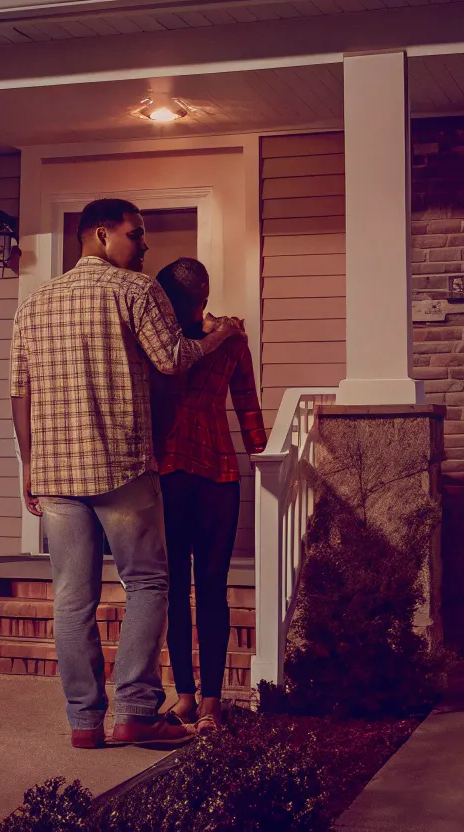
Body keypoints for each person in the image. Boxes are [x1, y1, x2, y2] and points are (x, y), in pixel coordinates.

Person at [10, 198, 243, 750]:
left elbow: (20, 390)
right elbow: (172, 359)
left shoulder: (34, 303)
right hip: (122, 468)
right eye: (135, 235)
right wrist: (220, 336)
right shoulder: (136, 290)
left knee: (72, 599)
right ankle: (135, 711)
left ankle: (85, 723)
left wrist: (29, 463)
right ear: (101, 234)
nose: (144, 246)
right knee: (147, 584)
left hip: (56, 473)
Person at [151, 258, 267, 733]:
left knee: (205, 588)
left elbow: (248, 405)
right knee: (181, 589)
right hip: (181, 473)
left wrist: (267, 461)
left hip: (209, 475)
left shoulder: (227, 340)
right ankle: (189, 698)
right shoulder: (163, 343)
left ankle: (208, 701)